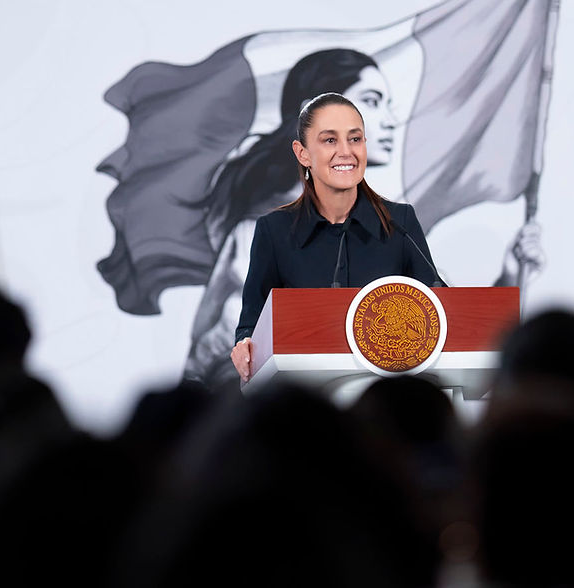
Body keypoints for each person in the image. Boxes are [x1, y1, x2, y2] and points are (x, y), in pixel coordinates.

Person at [184, 49, 397, 388]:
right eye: (371, 101)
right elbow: (220, 353)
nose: (391, 120)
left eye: (388, 104)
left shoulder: (387, 228)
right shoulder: (261, 232)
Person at [230, 92, 440, 381]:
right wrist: (244, 346)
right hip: (305, 396)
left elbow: (436, 310)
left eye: (355, 139)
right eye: (330, 140)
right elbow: (251, 327)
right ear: (302, 153)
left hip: (385, 396)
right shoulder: (274, 230)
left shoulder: (400, 222)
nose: (346, 151)